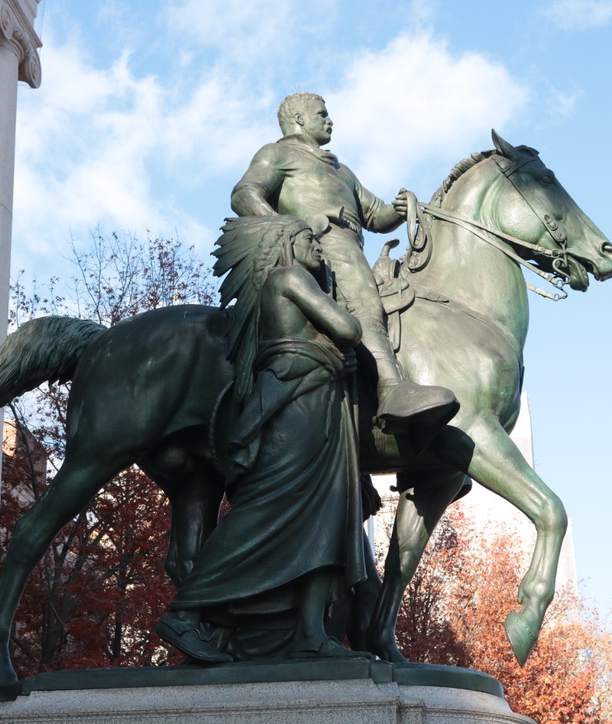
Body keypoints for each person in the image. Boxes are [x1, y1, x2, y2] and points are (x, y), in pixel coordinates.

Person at [155, 216, 370, 662]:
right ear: (288, 244)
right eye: (310, 239)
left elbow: (329, 344)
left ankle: (311, 630)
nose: (319, 249)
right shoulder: (289, 276)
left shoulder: (295, 284)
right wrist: (339, 337)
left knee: (327, 515)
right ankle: (187, 614)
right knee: (266, 507)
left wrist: (333, 358)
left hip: (321, 401)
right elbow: (348, 331)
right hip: (295, 402)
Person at [231, 92, 458, 435]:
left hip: (350, 244)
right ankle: (391, 388)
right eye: (321, 114)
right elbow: (244, 194)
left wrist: (396, 210)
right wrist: (295, 227)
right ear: (299, 119)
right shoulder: (277, 154)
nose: (330, 120)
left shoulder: (342, 170)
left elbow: (375, 216)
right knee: (363, 297)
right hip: (320, 244)